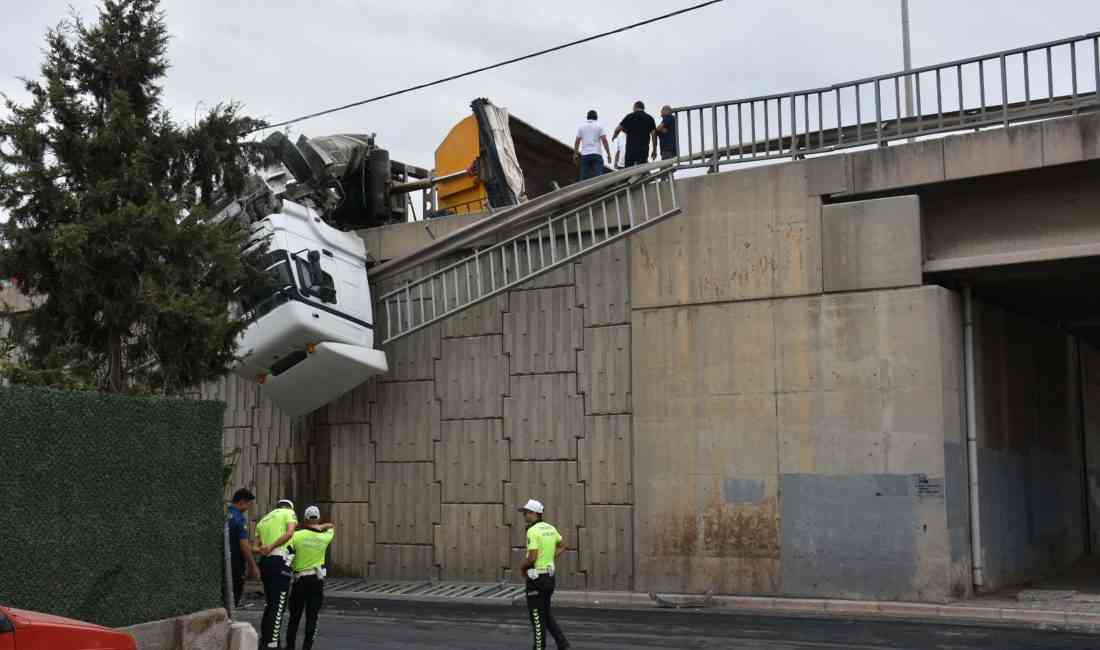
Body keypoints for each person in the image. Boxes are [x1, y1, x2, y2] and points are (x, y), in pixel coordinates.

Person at [519, 499, 570, 650]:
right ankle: (563, 644)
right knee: (546, 615)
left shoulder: (532, 531)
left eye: (527, 513)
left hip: (536, 579)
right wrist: (550, 558)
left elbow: (533, 557)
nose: (525, 516)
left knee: (536, 617)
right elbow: (563, 545)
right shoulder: (550, 528)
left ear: (535, 513)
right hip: (549, 578)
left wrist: (522, 567)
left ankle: (539, 648)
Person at [286, 506, 336, 650]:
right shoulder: (325, 536)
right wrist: (320, 527)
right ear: (318, 518)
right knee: (312, 617)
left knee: (294, 617)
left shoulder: (296, 536)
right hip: (316, 580)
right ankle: (307, 647)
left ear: (305, 519)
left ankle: (290, 647)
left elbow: (288, 554)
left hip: (299, 581)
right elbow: (331, 526)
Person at [255, 498, 298, 649]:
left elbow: (256, 547)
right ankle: (273, 644)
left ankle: (265, 641)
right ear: (290, 507)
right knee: (278, 605)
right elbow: (290, 533)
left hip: (265, 563)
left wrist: (265, 549)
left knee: (270, 604)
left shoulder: (263, 520)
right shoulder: (289, 513)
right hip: (280, 562)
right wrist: (272, 546)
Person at [227, 488, 260, 608]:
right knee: (233, 598)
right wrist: (253, 566)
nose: (248, 508)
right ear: (241, 502)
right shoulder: (239, 519)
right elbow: (244, 546)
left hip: (223, 562)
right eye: (248, 504)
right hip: (235, 564)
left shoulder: (225, 514)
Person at [612, 100, 657, 168]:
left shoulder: (630, 116)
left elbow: (618, 129)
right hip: (643, 149)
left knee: (628, 170)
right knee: (641, 170)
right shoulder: (650, 118)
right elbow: (654, 135)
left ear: (635, 107)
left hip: (631, 149)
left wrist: (615, 135)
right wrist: (654, 150)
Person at [573, 110, 611, 181]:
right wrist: (608, 154)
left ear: (587, 117)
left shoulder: (581, 127)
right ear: (596, 117)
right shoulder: (599, 126)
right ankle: (600, 190)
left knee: (584, 179)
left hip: (585, 155)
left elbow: (577, 141)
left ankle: (584, 191)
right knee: (599, 177)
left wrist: (575, 154)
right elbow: (604, 140)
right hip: (596, 154)